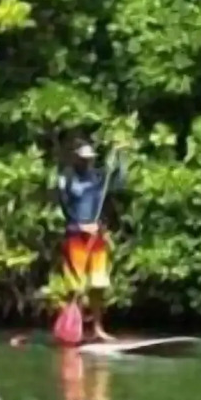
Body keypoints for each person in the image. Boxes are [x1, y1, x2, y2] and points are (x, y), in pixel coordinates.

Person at [57, 141, 127, 343]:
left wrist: (121, 157)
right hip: (75, 235)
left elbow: (119, 183)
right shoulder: (66, 177)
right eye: (83, 159)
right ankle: (74, 330)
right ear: (76, 158)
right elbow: (64, 205)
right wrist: (79, 224)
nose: (87, 162)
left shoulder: (98, 178)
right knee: (76, 287)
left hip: (96, 235)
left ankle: (97, 329)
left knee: (98, 284)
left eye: (90, 159)